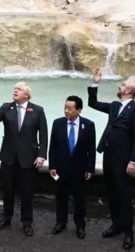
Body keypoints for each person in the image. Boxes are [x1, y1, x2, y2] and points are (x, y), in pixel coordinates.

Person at [87, 68, 135, 250]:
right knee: (111, 193)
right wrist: (95, 83)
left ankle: (129, 233)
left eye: (122, 85)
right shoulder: (114, 105)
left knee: (124, 197)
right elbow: (92, 103)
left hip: (124, 160)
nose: (120, 86)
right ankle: (116, 225)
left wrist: (134, 161)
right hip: (109, 157)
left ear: (128, 91)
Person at [0, 82, 48, 237]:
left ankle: (27, 222)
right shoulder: (7, 107)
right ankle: (6, 218)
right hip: (8, 158)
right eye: (15, 89)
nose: (15, 91)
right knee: (7, 191)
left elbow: (44, 136)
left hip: (28, 159)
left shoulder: (38, 110)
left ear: (26, 95)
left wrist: (41, 155)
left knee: (27, 193)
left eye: (19, 89)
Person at [49, 96, 96, 239]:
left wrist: (90, 169)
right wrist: (52, 166)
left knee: (79, 199)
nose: (66, 111)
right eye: (65, 107)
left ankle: (80, 225)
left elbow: (91, 150)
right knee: (60, 197)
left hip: (79, 170)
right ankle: (60, 222)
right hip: (61, 169)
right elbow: (53, 148)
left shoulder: (88, 125)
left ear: (79, 110)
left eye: (69, 108)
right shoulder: (57, 124)